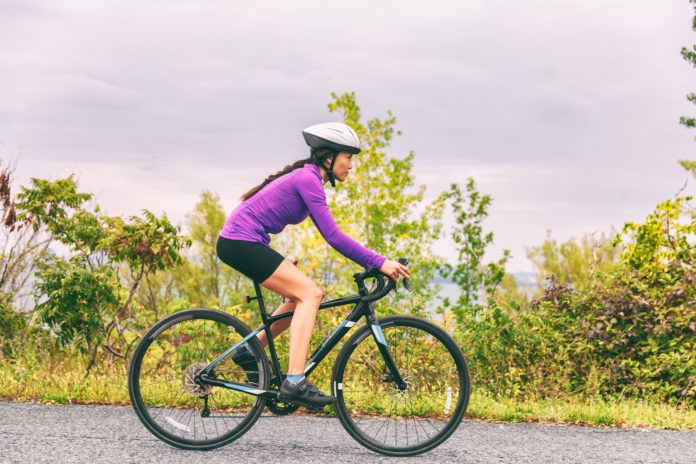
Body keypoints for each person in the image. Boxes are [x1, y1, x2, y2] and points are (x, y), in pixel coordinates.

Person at [216, 122, 411, 408]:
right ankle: (294, 380)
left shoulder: (308, 179)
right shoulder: (307, 180)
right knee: (311, 295)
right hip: (240, 243)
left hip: (244, 242)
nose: (351, 165)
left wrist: (283, 262)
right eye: (348, 157)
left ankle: (250, 350)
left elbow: (262, 215)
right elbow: (333, 235)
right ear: (329, 157)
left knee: (299, 297)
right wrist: (379, 262)